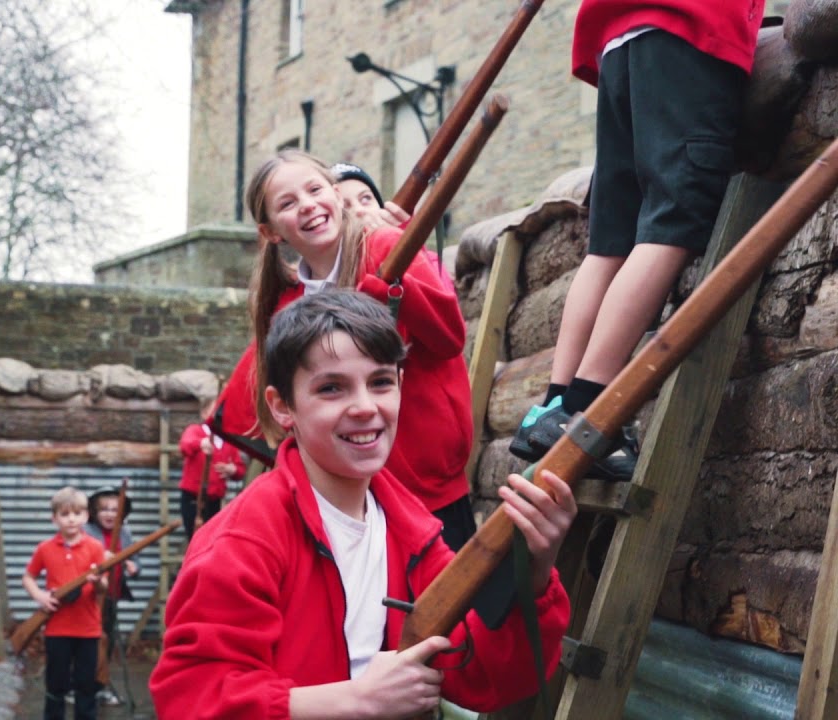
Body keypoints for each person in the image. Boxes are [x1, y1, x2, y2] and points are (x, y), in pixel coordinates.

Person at [150, 290, 576, 718]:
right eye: (331, 388)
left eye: (380, 383)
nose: (365, 407)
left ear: (401, 386)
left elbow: (486, 678)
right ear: (282, 407)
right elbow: (191, 697)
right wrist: (358, 699)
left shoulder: (414, 533)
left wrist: (534, 570)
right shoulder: (244, 541)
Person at [509, 0, 765, 481]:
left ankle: (554, 405)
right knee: (674, 222)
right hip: (689, 29)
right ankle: (588, 412)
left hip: (620, 40)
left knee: (610, 242)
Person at [210, 149, 477, 551]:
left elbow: (448, 335)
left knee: (451, 606)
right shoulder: (288, 303)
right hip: (344, 499)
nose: (307, 205)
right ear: (271, 232)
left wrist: (386, 291)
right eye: (287, 203)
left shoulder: (388, 246)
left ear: (335, 194)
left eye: (314, 189)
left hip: (425, 485)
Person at [22, 486, 108, 720]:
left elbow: (104, 587)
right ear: (54, 518)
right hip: (57, 628)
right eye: (65, 514)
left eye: (77, 513)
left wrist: (98, 581)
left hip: (88, 628)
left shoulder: (95, 547)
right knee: (56, 686)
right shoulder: (45, 548)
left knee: (86, 686)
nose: (71, 519)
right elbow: (28, 576)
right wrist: (40, 596)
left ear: (86, 516)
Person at [83, 486, 141, 707]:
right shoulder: (86, 532)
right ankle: (81, 686)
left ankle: (100, 686)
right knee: (90, 644)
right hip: (91, 598)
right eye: (103, 509)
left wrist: (134, 567)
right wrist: (100, 561)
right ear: (94, 511)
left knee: (107, 642)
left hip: (112, 597)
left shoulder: (124, 533)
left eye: (115, 510)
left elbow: (136, 561)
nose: (109, 514)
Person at [178, 399, 247, 538]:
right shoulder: (195, 431)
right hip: (194, 499)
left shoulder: (227, 439)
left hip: (215, 501)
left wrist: (232, 469)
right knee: (195, 539)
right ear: (204, 413)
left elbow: (240, 469)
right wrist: (200, 443)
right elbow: (185, 446)